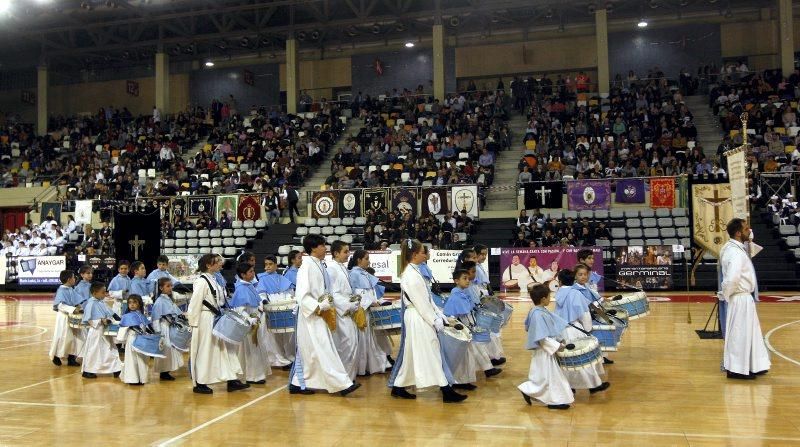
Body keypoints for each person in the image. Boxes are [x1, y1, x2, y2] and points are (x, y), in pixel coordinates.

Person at [389, 238, 467, 403]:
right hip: (418, 316)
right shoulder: (410, 274)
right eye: (423, 252)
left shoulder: (415, 271)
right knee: (432, 350)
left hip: (420, 314)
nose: (426, 254)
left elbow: (427, 299)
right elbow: (420, 302)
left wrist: (439, 314)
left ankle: (399, 386)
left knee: (413, 352)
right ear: (415, 254)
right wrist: (433, 319)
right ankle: (446, 390)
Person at [289, 234, 360, 396]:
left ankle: (299, 382)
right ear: (313, 248)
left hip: (321, 313)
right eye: (322, 245)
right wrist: (318, 306)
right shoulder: (306, 267)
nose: (325, 248)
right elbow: (301, 295)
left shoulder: (319, 265)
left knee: (313, 352)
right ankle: (342, 384)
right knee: (323, 349)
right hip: (312, 315)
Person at [187, 253, 247, 394]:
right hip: (205, 319)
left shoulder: (213, 279)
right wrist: (193, 324)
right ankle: (200, 383)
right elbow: (195, 304)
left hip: (215, 317)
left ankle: (232, 379)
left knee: (225, 349)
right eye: (217, 262)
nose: (221, 263)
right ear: (208, 265)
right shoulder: (201, 281)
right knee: (205, 351)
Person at [719, 218, 771, 379]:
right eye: (746, 228)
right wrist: (726, 294)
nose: (750, 230)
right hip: (739, 298)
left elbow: (751, 248)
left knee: (751, 332)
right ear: (738, 233)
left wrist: (749, 239)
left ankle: (755, 364)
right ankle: (736, 369)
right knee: (739, 333)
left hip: (744, 298)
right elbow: (732, 278)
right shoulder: (734, 252)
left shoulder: (737, 248)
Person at [553, 267, 609, 394]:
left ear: (560, 282)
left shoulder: (558, 294)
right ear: (573, 279)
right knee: (583, 360)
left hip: (561, 330)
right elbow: (585, 314)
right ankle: (594, 385)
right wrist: (588, 330)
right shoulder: (575, 293)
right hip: (575, 329)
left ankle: (569, 386)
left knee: (566, 360)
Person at [518, 283, 574, 410]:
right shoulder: (538, 314)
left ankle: (550, 398)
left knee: (545, 377)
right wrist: (557, 345)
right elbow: (541, 338)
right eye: (549, 296)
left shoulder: (538, 311)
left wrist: (558, 341)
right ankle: (552, 400)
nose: (550, 299)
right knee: (548, 377)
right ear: (543, 299)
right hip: (544, 351)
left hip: (545, 351)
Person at [443, 269, 502, 389]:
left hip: (468, 330)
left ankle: (464, 381)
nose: (468, 281)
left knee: (468, 356)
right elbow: (450, 315)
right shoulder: (455, 297)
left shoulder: (464, 294)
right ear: (456, 281)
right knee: (462, 357)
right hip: (461, 332)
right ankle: (457, 381)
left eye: (468, 278)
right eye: (464, 278)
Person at [347, 249, 392, 375]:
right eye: (366, 258)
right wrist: (371, 302)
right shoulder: (354, 274)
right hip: (361, 310)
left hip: (368, 309)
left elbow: (370, 291)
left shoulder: (364, 273)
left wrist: (376, 301)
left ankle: (369, 365)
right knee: (363, 339)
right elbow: (357, 293)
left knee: (370, 338)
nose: (369, 261)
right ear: (359, 260)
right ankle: (362, 367)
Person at [231, 262, 271, 385]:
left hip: (255, 322)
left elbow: (255, 303)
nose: (253, 273)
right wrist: (249, 319)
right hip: (247, 324)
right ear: (243, 275)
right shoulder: (241, 289)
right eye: (250, 272)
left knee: (255, 348)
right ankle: (250, 375)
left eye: (253, 271)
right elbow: (240, 309)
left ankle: (256, 374)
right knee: (248, 350)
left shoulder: (249, 286)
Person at [326, 240, 360, 380]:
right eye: (345, 251)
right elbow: (333, 293)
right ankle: (343, 378)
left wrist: (354, 299)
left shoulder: (342, 267)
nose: (348, 254)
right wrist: (348, 305)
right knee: (346, 344)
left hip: (348, 310)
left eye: (348, 251)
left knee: (351, 343)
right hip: (341, 312)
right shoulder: (331, 269)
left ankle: (348, 377)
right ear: (335, 253)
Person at [255, 255, 295, 369]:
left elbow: (289, 292)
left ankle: (289, 356)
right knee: (273, 337)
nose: (267, 267)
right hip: (271, 310)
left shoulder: (282, 278)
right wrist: (265, 301)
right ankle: (278, 359)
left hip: (284, 309)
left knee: (287, 336)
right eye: (266, 264)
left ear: (276, 265)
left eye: (270, 264)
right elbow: (261, 294)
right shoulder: (262, 279)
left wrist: (289, 300)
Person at [80, 282, 122, 379]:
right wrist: (100, 320)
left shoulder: (101, 302)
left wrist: (118, 318)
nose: (105, 294)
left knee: (111, 349)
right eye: (103, 292)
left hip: (105, 330)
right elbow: (88, 319)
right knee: (94, 352)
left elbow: (110, 312)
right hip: (96, 332)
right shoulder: (90, 304)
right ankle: (88, 370)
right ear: (95, 293)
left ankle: (116, 368)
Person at [151, 277, 185, 381]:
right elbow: (156, 319)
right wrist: (158, 333)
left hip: (170, 327)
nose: (171, 288)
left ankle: (166, 370)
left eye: (171, 286)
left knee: (171, 350)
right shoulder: (159, 301)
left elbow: (175, 312)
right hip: (164, 328)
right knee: (165, 349)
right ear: (161, 288)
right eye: (168, 286)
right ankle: (164, 372)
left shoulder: (168, 299)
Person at [49, 270, 84, 367]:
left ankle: (71, 358)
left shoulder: (70, 289)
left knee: (73, 338)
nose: (75, 279)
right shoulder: (62, 290)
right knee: (63, 337)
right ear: (69, 279)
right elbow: (60, 305)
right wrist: (73, 309)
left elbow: (76, 301)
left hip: (72, 317)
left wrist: (79, 308)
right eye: (73, 277)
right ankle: (55, 355)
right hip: (64, 317)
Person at [117, 295, 151, 386]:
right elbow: (123, 328)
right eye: (130, 302)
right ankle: (132, 379)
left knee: (141, 359)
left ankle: (141, 378)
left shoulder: (142, 315)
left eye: (134, 302)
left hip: (142, 340)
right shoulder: (126, 316)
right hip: (132, 339)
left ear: (139, 304)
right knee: (132, 359)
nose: (132, 305)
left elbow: (145, 326)